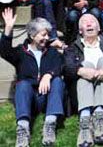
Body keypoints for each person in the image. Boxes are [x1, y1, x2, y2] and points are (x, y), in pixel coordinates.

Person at [0, 8, 64, 147]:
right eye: (43, 34)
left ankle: (50, 124)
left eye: (47, 35)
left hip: (47, 98)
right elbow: (4, 52)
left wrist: (48, 75)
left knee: (58, 81)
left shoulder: (51, 51)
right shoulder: (20, 52)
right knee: (22, 84)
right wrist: (8, 29)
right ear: (32, 35)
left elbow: (59, 66)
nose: (47, 38)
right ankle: (23, 129)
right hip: (29, 99)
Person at [63, 13, 103, 146]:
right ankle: (85, 122)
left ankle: (99, 117)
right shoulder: (72, 47)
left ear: (99, 28)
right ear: (80, 30)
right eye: (85, 22)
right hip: (83, 89)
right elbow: (67, 67)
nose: (89, 24)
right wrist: (82, 71)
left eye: (92, 21)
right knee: (85, 65)